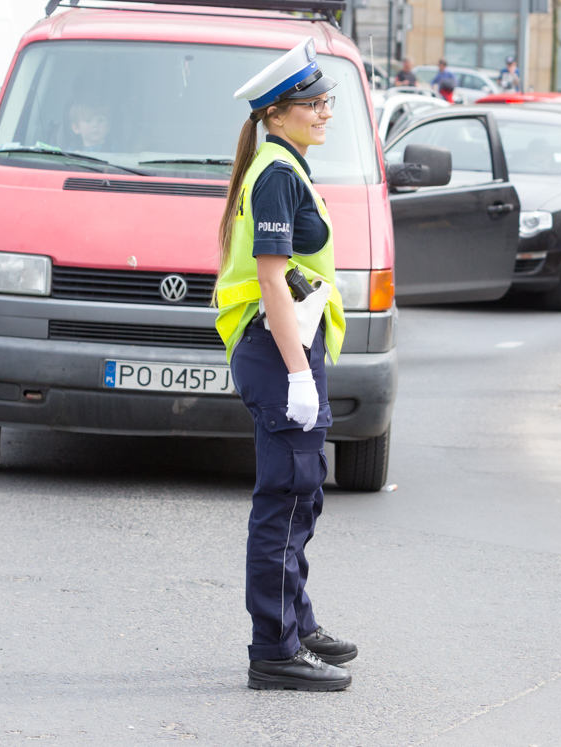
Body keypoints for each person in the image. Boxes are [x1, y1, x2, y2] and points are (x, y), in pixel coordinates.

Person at [215, 38, 356, 692]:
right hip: (279, 351)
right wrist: (298, 373)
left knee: (304, 492)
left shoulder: (284, 163)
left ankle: (294, 623)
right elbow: (272, 280)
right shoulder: (275, 171)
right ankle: (274, 646)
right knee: (286, 497)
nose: (324, 110)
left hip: (289, 346)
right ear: (277, 112)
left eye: (324, 100)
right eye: (312, 102)